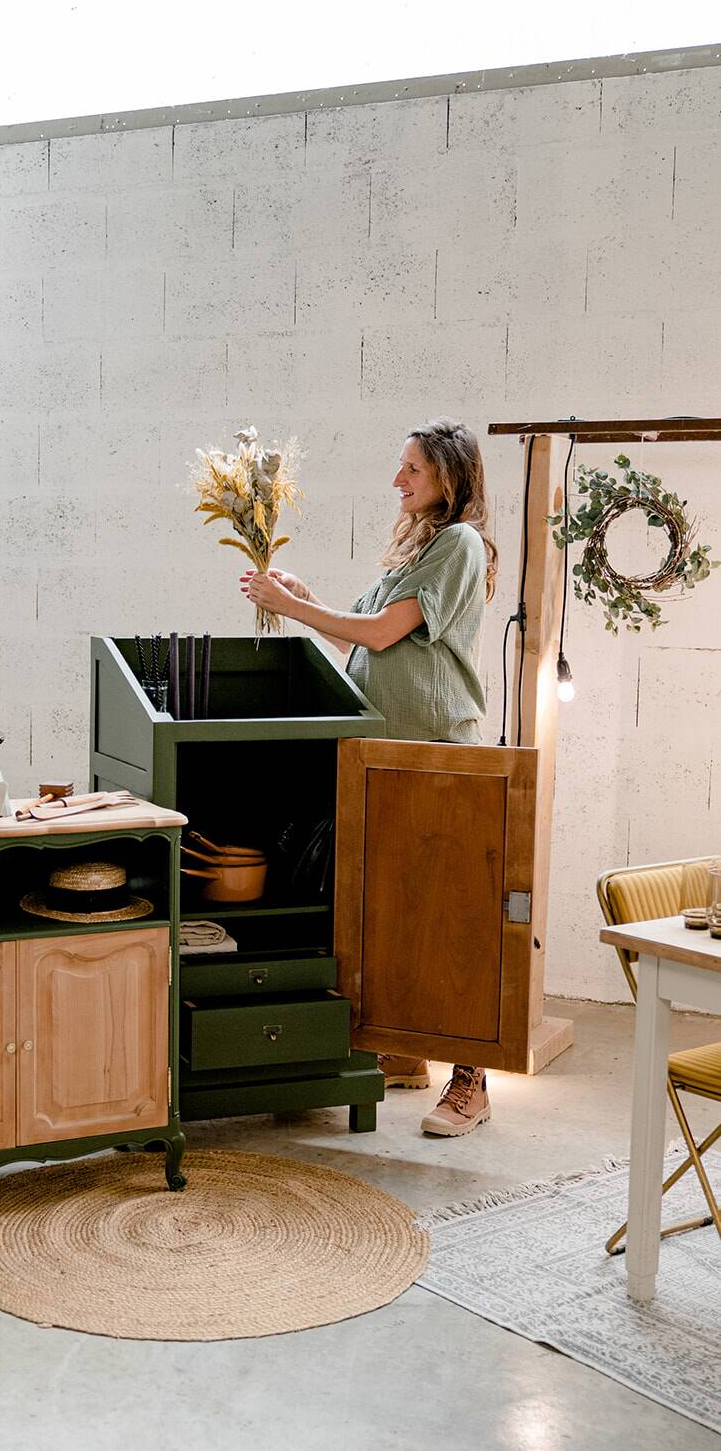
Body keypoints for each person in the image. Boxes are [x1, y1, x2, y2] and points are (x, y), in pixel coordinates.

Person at [243, 416, 497, 1137]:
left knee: (449, 920)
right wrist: (303, 594)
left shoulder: (459, 542)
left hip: (434, 752)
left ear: (448, 475)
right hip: (383, 753)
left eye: (410, 470)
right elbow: (353, 633)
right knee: (391, 907)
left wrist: (288, 605)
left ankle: (471, 1083)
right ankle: (406, 1054)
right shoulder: (415, 546)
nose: (397, 481)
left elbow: (383, 632)